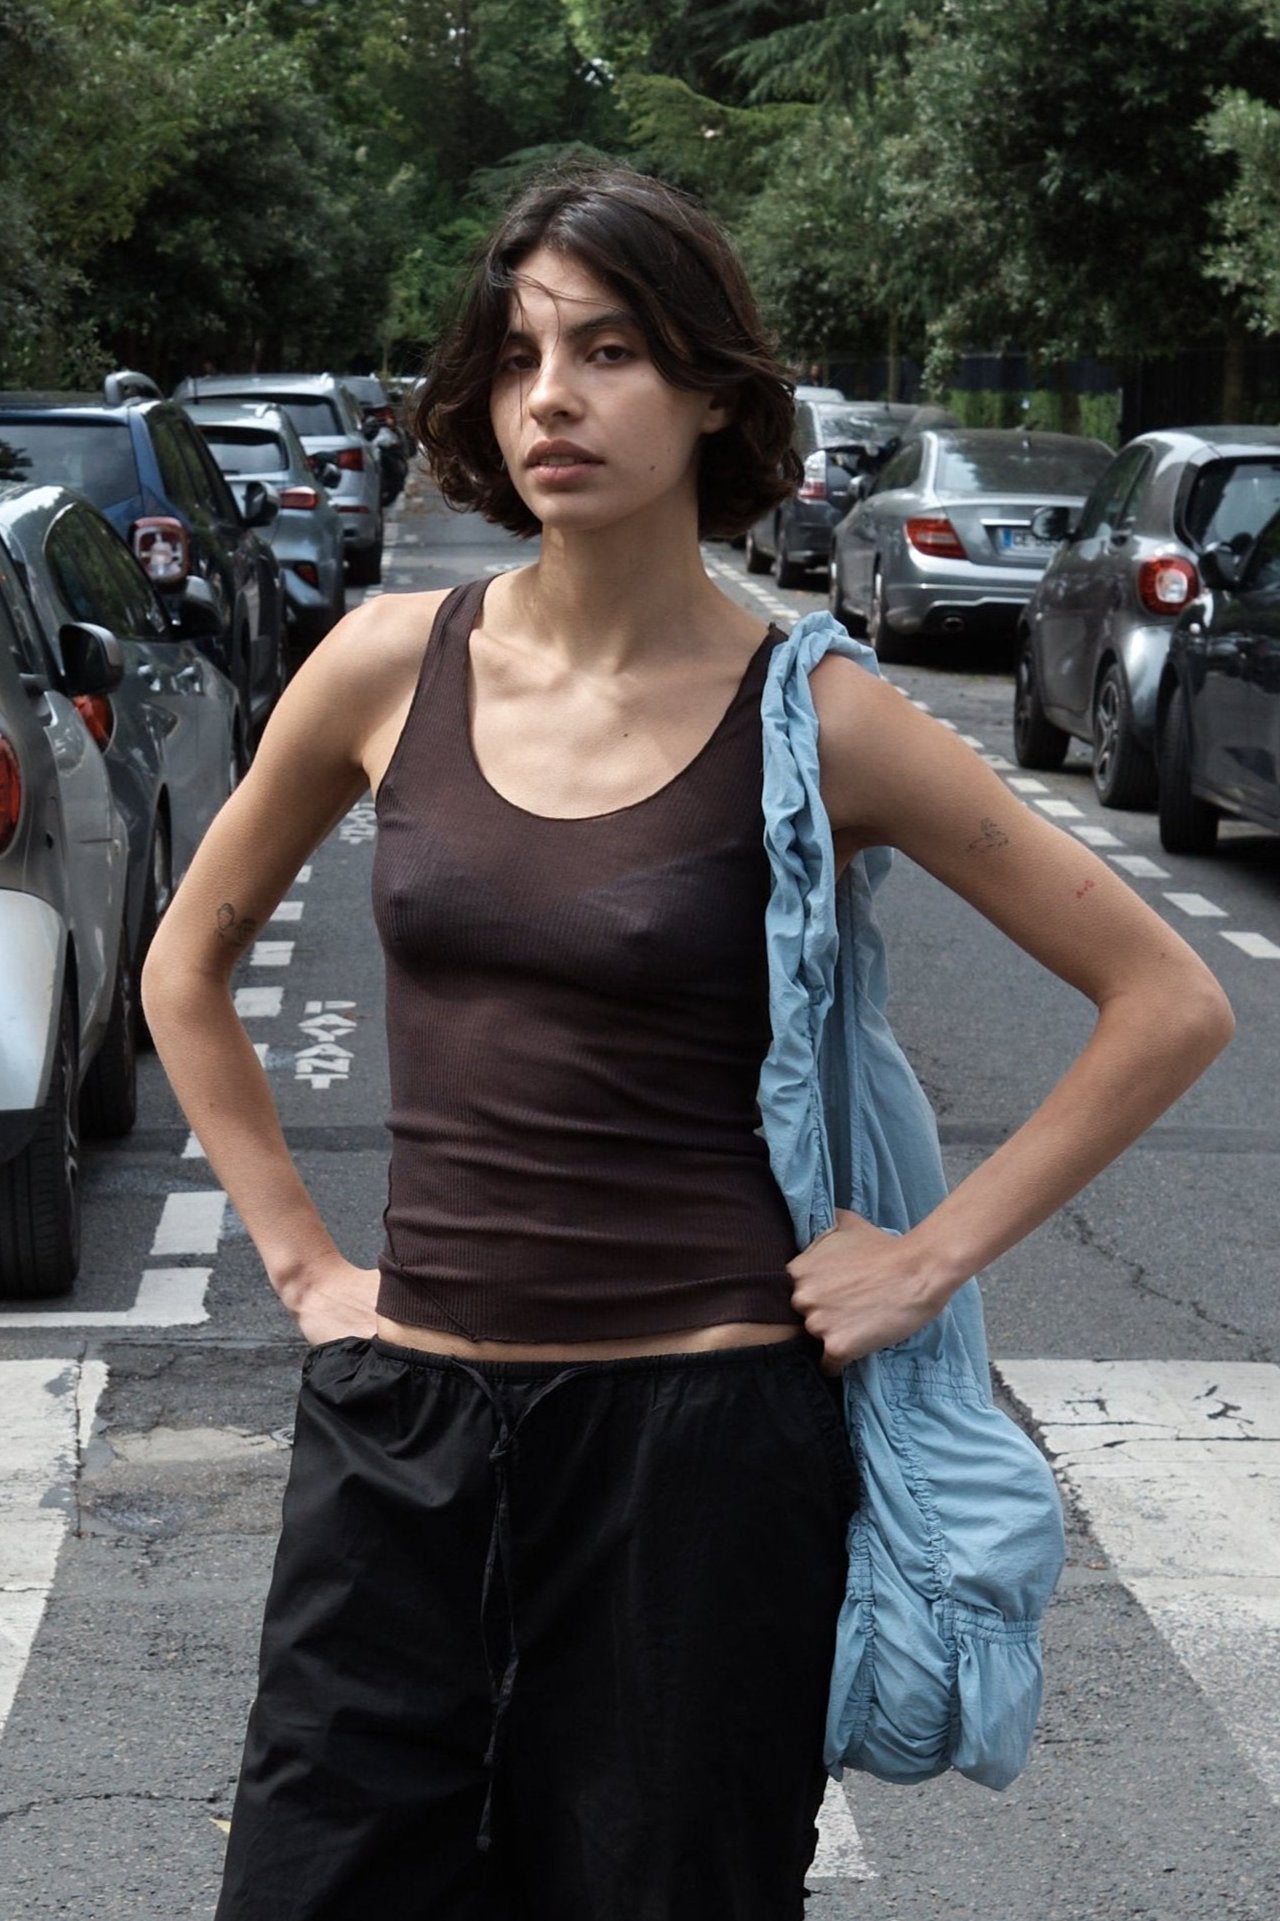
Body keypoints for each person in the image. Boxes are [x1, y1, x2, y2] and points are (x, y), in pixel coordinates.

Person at [142, 166, 1233, 1921]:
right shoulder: (379, 667)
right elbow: (183, 962)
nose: (550, 399)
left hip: (697, 1465)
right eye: (515, 358)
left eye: (610, 350)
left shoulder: (822, 715)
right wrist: (301, 1260)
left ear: (715, 387)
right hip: (403, 1442)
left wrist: (926, 1259)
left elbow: (1171, 1000)